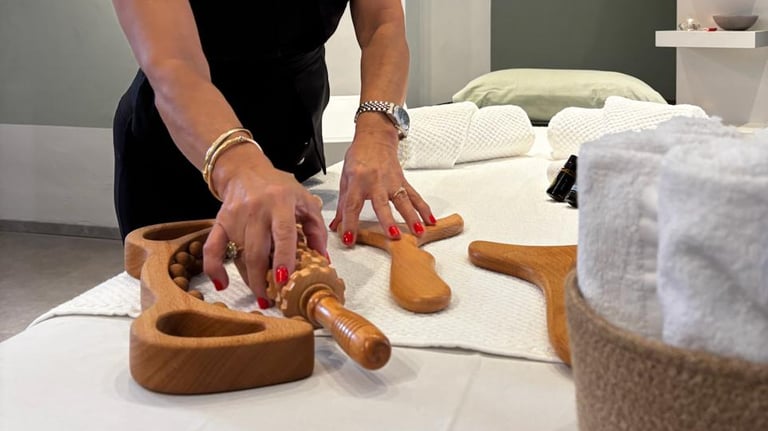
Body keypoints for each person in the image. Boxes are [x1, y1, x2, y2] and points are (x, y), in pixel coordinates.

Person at [111, 0, 435, 309]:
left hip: (292, 131)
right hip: (180, 152)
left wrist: (377, 131)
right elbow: (174, 65)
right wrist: (239, 170)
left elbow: (382, 24)